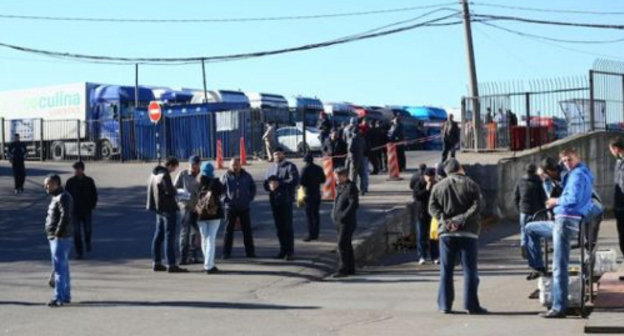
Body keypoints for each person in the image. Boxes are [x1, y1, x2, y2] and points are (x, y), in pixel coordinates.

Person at [525, 148, 593, 318]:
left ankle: (558, 307)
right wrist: (548, 180)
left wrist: (556, 201)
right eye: (563, 161)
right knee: (530, 228)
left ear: (577, 157)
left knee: (559, 265)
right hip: (561, 221)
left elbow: (572, 199)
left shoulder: (577, 175)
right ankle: (538, 266)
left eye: (569, 159)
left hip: (565, 220)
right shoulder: (579, 173)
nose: (566, 163)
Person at [428, 158, 486, 315]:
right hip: (468, 232)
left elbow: (432, 207)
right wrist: (462, 218)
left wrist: (444, 220)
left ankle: (444, 305)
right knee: (469, 270)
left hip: (446, 233)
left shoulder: (438, 186)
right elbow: (478, 205)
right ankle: (471, 305)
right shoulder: (471, 184)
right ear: (460, 168)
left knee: (446, 270)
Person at [146, 157, 187, 273]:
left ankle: (156, 262)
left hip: (158, 208)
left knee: (158, 235)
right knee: (170, 236)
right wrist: (177, 191)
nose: (174, 170)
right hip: (168, 208)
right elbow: (170, 191)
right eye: (174, 167)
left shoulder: (154, 174)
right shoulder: (165, 175)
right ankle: (171, 263)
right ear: (171, 165)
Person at [264, 147, 300, 260]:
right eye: (275, 154)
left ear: (283, 154)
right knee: (279, 228)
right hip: (274, 201)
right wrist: (269, 186)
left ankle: (290, 252)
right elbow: (266, 183)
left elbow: (294, 180)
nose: (277, 156)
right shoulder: (271, 168)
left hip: (286, 200)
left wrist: (279, 183)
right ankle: (282, 250)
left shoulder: (290, 166)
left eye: (279, 154)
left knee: (287, 227)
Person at [44, 174, 74, 307]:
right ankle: (65, 295)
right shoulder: (57, 197)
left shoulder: (63, 197)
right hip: (58, 236)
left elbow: (65, 216)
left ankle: (58, 297)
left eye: (48, 184)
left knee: (59, 269)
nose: (46, 187)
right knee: (64, 267)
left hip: (60, 237)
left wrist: (58, 233)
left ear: (56, 183)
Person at [221, 157, 257, 259]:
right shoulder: (225, 177)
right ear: (229, 166)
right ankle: (226, 253)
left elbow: (253, 187)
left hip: (244, 207)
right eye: (233, 165)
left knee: (247, 231)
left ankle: (250, 253)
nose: (235, 167)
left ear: (240, 165)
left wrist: (249, 198)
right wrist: (225, 200)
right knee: (228, 231)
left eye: (237, 165)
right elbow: (221, 191)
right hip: (230, 208)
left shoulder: (246, 176)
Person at [65, 161, 98, 259]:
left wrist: (92, 205)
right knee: (77, 233)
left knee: (88, 230)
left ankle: (87, 241)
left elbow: (94, 194)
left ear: (82, 170)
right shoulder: (70, 182)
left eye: (78, 169)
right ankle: (79, 252)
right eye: (75, 169)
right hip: (74, 211)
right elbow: (66, 196)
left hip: (86, 209)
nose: (76, 171)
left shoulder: (89, 181)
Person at [513, 163, 547, 258]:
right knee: (536, 232)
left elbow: (516, 196)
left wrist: (519, 208)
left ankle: (524, 246)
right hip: (536, 211)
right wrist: (543, 209)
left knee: (524, 230)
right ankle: (535, 251)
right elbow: (542, 196)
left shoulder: (520, 181)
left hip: (524, 210)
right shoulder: (538, 182)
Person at [331, 167, 359, 278]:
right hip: (339, 221)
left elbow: (354, 204)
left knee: (341, 244)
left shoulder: (351, 187)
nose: (336, 179)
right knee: (346, 244)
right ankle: (350, 267)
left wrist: (343, 215)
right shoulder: (340, 186)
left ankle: (343, 268)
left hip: (347, 221)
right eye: (335, 177)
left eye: (338, 177)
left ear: (345, 176)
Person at [196, 162, 223, 274]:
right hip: (214, 213)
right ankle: (209, 265)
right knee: (211, 239)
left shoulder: (197, 182)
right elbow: (222, 192)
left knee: (204, 238)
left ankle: (207, 263)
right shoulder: (216, 182)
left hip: (201, 213)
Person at [174, 155, 202, 265]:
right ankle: (183, 257)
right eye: (191, 164)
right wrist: (181, 200)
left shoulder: (201, 175)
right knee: (185, 232)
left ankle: (193, 255)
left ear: (199, 164)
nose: (193, 167)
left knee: (196, 232)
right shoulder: (183, 174)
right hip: (185, 207)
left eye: (195, 164)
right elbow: (174, 188)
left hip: (198, 208)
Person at [412, 168, 439, 265]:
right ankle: (422, 256)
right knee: (421, 236)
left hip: (432, 214)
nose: (431, 179)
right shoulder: (419, 184)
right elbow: (416, 196)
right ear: (425, 176)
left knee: (433, 235)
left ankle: (435, 256)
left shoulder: (436, 184)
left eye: (432, 177)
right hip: (421, 213)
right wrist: (426, 189)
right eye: (429, 177)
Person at [300, 153, 326, 242]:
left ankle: (311, 234)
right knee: (316, 214)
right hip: (317, 192)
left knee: (309, 215)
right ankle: (316, 233)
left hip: (308, 193)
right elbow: (323, 179)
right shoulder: (319, 168)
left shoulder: (305, 169)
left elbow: (301, 181)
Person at [608, 138, 624, 281]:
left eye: (611, 149)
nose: (611, 152)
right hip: (619, 206)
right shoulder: (619, 162)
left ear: (616, 148)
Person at [345, 120, 365, 188]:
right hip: (360, 157)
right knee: (361, 174)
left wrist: (350, 157)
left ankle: (352, 189)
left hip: (353, 158)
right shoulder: (362, 138)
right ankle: (362, 189)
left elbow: (350, 149)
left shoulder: (352, 138)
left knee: (352, 175)